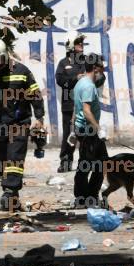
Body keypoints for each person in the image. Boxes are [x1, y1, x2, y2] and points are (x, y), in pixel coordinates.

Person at [0, 37, 45, 210]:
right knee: (2, 159)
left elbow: (35, 95)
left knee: (15, 156)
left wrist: (39, 118)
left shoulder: (21, 71)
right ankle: (11, 195)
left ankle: (10, 190)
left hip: (20, 123)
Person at [55, 31, 105, 173]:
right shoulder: (63, 63)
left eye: (82, 42)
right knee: (69, 134)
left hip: (86, 104)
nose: (81, 44)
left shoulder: (87, 61)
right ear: (70, 45)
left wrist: (91, 80)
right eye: (78, 42)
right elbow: (60, 81)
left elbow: (101, 76)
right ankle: (66, 161)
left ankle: (87, 162)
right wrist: (75, 79)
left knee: (88, 134)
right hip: (69, 105)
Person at [72, 53, 108, 208]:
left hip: (84, 130)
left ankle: (86, 197)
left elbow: (76, 109)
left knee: (93, 163)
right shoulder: (88, 86)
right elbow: (86, 110)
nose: (103, 70)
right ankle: (86, 198)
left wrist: (73, 130)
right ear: (95, 68)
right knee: (90, 165)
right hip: (89, 132)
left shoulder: (80, 83)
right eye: (101, 67)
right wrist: (99, 129)